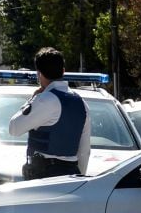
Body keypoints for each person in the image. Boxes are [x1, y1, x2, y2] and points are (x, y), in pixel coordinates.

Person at [8, 47, 91, 180]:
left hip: (45, 175)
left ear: (39, 74)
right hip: (72, 175)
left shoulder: (44, 100)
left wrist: (32, 99)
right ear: (63, 71)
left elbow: (14, 128)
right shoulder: (82, 103)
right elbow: (85, 150)